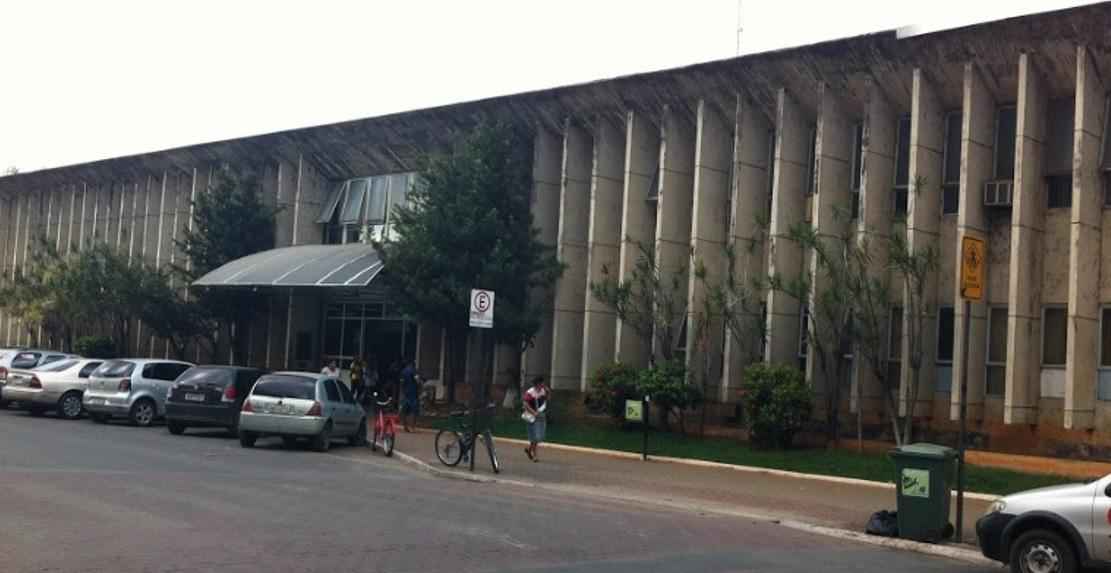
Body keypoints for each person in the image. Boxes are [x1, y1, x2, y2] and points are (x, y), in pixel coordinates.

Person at [522, 376, 549, 462]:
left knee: (539, 436)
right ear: (537, 384)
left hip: (541, 415)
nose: (543, 385)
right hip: (532, 416)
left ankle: (529, 449)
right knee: (535, 436)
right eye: (542, 383)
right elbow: (525, 404)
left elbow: (547, 400)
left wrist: (548, 393)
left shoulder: (543, 391)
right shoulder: (530, 392)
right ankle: (535, 456)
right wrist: (534, 413)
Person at [399, 361, 419, 432]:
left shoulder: (403, 371)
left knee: (404, 410)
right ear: (413, 364)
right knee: (414, 411)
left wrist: (402, 392)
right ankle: (412, 427)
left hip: (405, 393)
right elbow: (417, 380)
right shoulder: (413, 371)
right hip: (413, 393)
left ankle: (405, 426)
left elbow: (401, 382)